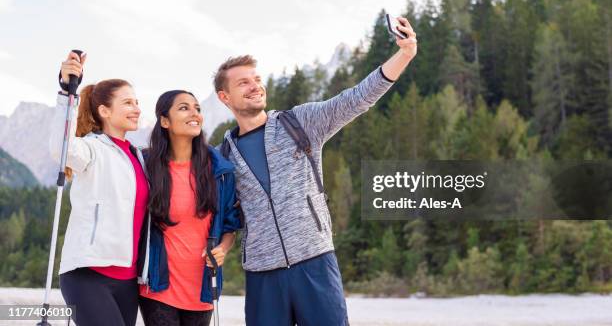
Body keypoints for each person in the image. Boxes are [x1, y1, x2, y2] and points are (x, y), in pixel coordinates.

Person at [214, 17, 418, 325]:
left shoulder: (300, 123)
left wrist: (404, 54)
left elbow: (357, 98)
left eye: (256, 79)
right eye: (243, 82)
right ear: (224, 97)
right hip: (262, 274)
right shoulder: (222, 157)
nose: (255, 86)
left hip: (315, 262)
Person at [50, 51, 149, 326]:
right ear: (104, 111)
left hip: (128, 280)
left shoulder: (138, 157)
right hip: (88, 273)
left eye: (137, 102)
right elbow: (62, 150)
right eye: (128, 102)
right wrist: (66, 92)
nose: (137, 108)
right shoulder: (91, 148)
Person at [138, 90, 240, 326]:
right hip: (158, 286)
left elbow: (229, 227)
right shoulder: (146, 167)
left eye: (197, 108)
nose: (194, 113)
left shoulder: (220, 171)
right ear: (165, 121)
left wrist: (222, 250)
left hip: (202, 287)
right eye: (184, 108)